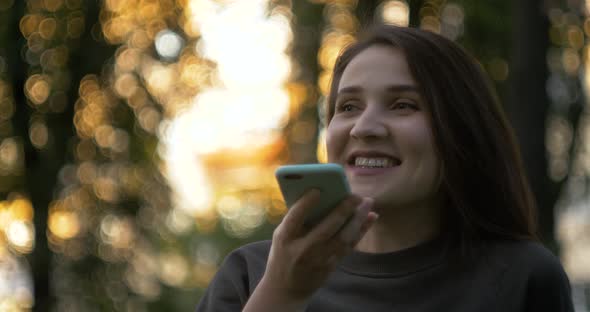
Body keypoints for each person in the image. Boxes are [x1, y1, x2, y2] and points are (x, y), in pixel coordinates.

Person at [195, 25, 574, 312]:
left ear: (461, 130)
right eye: (348, 107)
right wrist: (282, 293)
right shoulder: (251, 274)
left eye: (403, 105)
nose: (364, 127)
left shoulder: (522, 277)